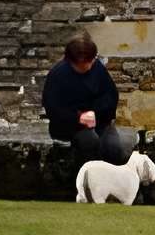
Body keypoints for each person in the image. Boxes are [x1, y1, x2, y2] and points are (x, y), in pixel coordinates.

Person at [41, 31, 122, 175]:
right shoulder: (58, 75)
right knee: (90, 143)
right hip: (71, 126)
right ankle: (88, 182)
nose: (90, 64)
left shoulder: (97, 68)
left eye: (91, 60)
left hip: (100, 120)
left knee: (113, 147)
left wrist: (95, 113)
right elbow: (53, 108)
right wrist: (79, 117)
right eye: (86, 62)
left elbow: (111, 95)